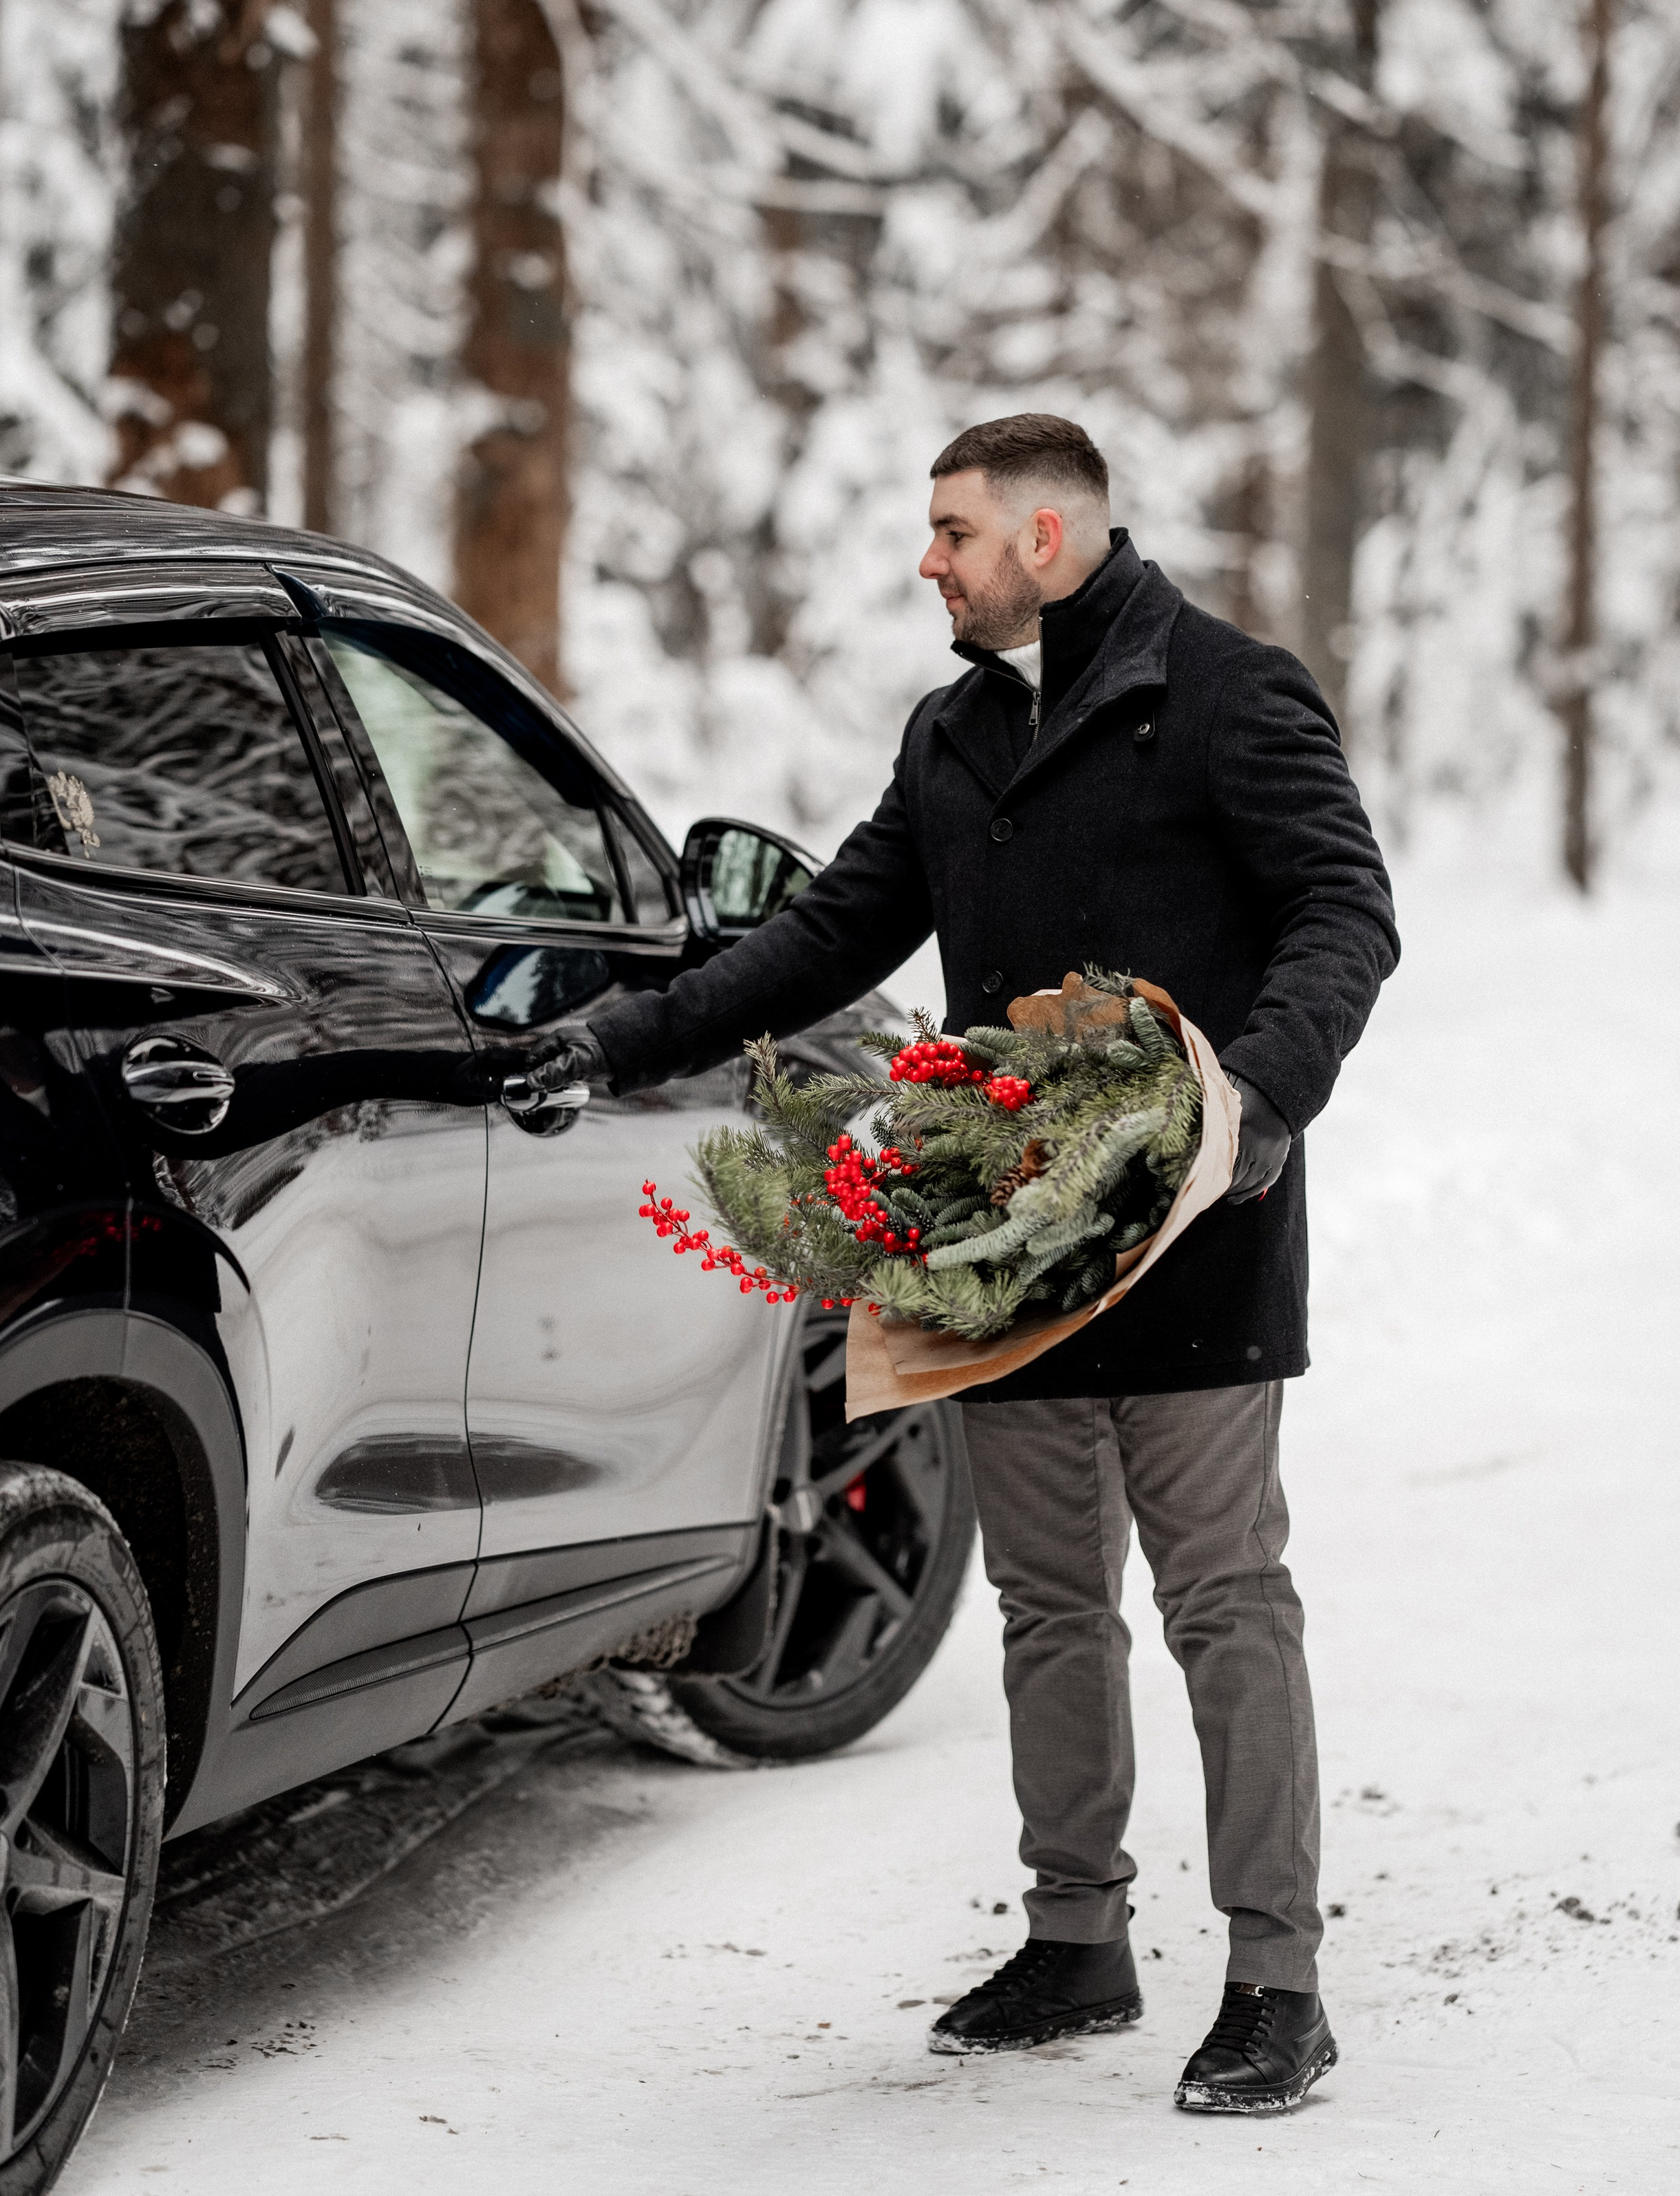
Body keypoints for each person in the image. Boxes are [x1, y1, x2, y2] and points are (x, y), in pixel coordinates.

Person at [581, 414, 1399, 2115]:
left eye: (951, 531)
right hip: (993, 1242)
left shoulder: (1232, 694)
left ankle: (1274, 1979)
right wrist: (634, 1035)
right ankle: (1078, 1938)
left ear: (1045, 536)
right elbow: (833, 930)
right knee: (1043, 1604)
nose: (927, 561)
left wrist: (1251, 1103)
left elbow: (1345, 909)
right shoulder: (951, 733)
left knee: (1223, 1604)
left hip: (1194, 1230)